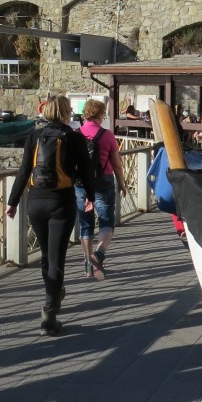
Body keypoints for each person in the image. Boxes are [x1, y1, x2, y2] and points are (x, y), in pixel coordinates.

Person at [6, 95, 97, 335]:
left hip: (35, 202)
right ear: (67, 112)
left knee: (46, 255)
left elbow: (24, 171)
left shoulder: (34, 136)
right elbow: (86, 171)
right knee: (57, 258)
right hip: (61, 202)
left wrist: (12, 202)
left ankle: (54, 293)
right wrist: (90, 196)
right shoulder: (74, 137)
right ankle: (49, 312)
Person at [77, 99, 127, 279]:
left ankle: (87, 265)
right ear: (101, 115)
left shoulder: (76, 135)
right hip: (103, 181)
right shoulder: (107, 135)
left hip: (81, 183)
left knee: (86, 223)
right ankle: (98, 255)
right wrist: (122, 183)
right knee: (106, 222)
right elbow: (117, 164)